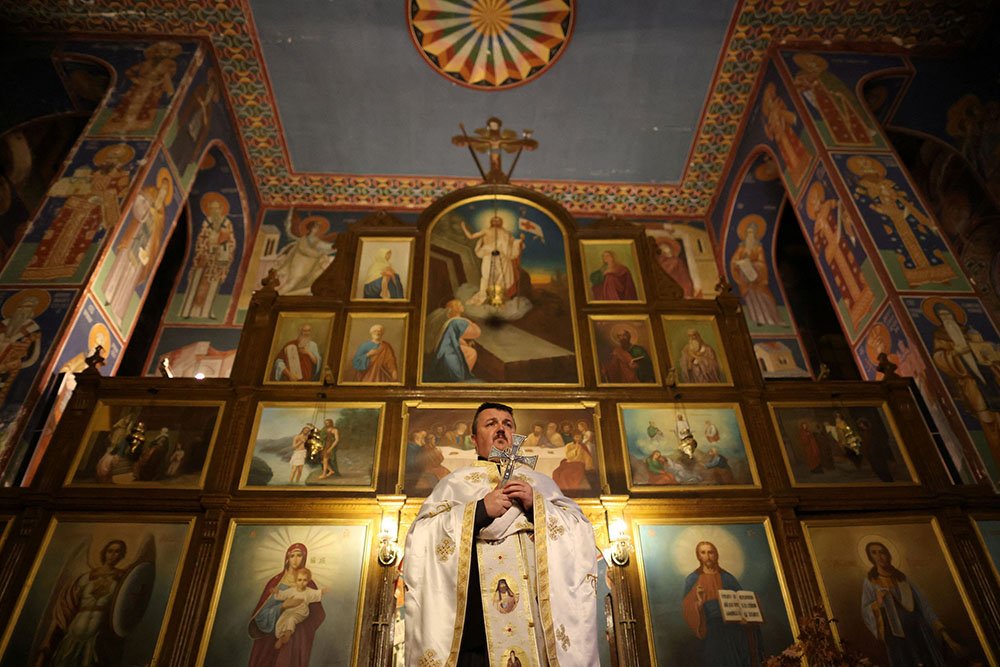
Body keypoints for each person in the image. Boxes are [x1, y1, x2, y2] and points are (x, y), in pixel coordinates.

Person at [403, 402, 598, 666]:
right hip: (475, 636)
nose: (501, 429)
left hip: (535, 633)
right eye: (491, 423)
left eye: (507, 424)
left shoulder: (540, 484)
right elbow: (422, 539)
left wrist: (536, 507)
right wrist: (480, 510)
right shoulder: (453, 484)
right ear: (474, 439)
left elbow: (581, 533)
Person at [861, 541, 963, 665]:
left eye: (882, 552)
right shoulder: (870, 582)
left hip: (919, 631)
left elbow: (923, 605)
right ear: (870, 557)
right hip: (896, 637)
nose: (879, 556)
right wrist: (878, 603)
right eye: (874, 553)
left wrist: (944, 635)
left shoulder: (902, 579)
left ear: (888, 555)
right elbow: (866, 609)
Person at [33, 539, 132, 666]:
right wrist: (47, 638)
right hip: (74, 633)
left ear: (122, 555)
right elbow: (65, 608)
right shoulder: (85, 577)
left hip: (98, 638)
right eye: (110, 551)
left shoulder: (122, 580)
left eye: (118, 552)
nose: (113, 555)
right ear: (104, 553)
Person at [682, 541, 762, 665]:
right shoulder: (693, 579)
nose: (707, 556)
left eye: (710, 552)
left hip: (734, 626)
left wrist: (745, 617)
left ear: (716, 555)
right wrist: (698, 602)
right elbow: (687, 608)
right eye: (703, 553)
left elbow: (742, 600)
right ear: (698, 556)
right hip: (710, 626)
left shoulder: (727, 577)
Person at [248, 543, 325, 666]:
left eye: (299, 555)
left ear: (304, 558)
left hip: (294, 637)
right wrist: (283, 606)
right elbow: (260, 616)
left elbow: (318, 615)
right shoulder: (275, 582)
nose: (295, 559)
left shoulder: (308, 584)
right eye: (292, 555)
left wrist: (299, 625)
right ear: (287, 558)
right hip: (269, 636)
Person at [180, 192, 236, 319]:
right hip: (204, 257)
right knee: (196, 283)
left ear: (221, 209)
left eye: (217, 208)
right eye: (212, 208)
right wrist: (204, 249)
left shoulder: (227, 223)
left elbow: (231, 242)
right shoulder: (206, 222)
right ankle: (188, 311)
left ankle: (207, 312)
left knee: (213, 284)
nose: (214, 211)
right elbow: (201, 239)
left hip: (218, 259)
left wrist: (223, 245)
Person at [729, 216, 783, 327]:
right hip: (745, 277)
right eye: (748, 232)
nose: (750, 235)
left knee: (766, 297)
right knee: (752, 300)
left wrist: (752, 265)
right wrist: (740, 264)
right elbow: (734, 261)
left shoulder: (758, 248)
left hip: (757, 277)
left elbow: (762, 263)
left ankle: (772, 320)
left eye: (752, 233)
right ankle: (758, 319)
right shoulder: (741, 248)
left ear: (755, 234)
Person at [460, 215, 525, 305]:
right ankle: (483, 296)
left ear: (501, 222)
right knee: (486, 277)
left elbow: (513, 244)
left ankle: (497, 299)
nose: (496, 222)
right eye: (494, 220)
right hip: (489, 255)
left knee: (501, 279)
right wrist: (463, 227)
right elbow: (471, 236)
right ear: (491, 222)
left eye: (498, 220)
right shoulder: (486, 230)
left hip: (503, 258)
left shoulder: (507, 233)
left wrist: (520, 241)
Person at [272, 568, 327, 650]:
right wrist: (277, 592)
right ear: (295, 581)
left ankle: (287, 636)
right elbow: (282, 595)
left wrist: (323, 591)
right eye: (299, 580)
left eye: (304, 580)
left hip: (301, 612)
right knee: (282, 620)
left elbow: (317, 593)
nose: (302, 583)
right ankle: (280, 636)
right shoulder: (291, 590)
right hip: (290, 610)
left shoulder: (309, 591)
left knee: (291, 620)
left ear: (308, 581)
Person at [428, 299, 481, 381]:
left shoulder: (448, 321)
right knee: (472, 353)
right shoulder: (457, 322)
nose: (462, 306)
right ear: (454, 309)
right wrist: (468, 321)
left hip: (441, 353)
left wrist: (465, 344)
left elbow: (455, 339)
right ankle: (461, 378)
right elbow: (476, 332)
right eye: (459, 305)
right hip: (449, 354)